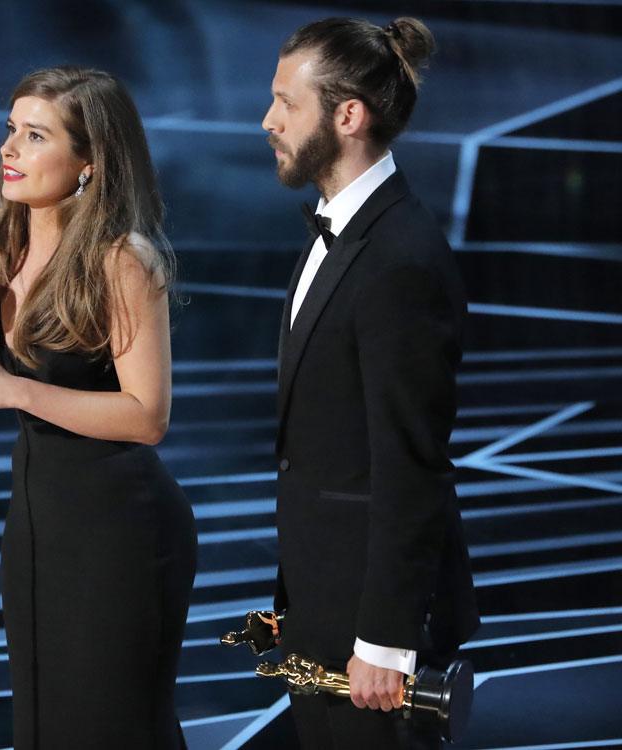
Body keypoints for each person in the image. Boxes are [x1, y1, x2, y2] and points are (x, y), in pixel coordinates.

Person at [0, 66, 197, 749]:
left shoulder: (124, 260)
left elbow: (147, 416)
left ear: (89, 162)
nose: (9, 149)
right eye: (11, 130)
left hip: (121, 535)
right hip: (38, 529)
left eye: (35, 136)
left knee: (116, 730)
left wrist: (16, 391)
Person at [261, 17, 480, 749]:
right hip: (320, 613)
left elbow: (411, 465)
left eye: (286, 103)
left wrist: (384, 642)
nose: (269, 122)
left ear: (348, 115)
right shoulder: (342, 230)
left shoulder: (400, 260)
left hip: (372, 643)